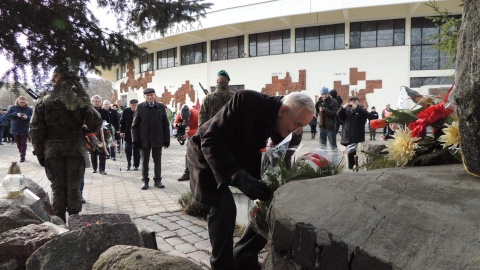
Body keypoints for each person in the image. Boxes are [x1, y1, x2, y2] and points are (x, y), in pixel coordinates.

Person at [187, 90, 315, 270]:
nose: (298, 130)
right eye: (297, 124)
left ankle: (243, 255)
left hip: (247, 157)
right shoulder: (247, 101)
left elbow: (281, 165)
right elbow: (211, 140)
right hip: (208, 153)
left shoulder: (293, 130)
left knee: (271, 203)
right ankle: (221, 265)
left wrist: (280, 185)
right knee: (224, 206)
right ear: (282, 111)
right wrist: (239, 177)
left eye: (304, 126)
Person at [29, 70, 102, 222]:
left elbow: (35, 130)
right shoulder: (79, 100)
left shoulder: (45, 101)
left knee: (57, 188)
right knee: (74, 187)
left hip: (52, 150)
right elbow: (95, 123)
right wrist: (84, 128)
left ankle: (60, 222)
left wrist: (40, 153)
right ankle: (75, 221)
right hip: (75, 148)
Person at [132, 88, 170, 190]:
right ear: (144, 96)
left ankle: (158, 180)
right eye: (147, 95)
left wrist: (167, 139)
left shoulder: (161, 107)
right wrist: (135, 140)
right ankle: (145, 181)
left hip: (158, 139)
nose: (149, 97)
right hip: (144, 140)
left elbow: (165, 124)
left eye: (151, 95)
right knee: (145, 161)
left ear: (155, 95)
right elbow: (134, 126)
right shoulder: (140, 107)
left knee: (157, 161)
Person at [337, 96, 369, 169]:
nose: (353, 102)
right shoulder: (346, 111)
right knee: (350, 153)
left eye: (355, 100)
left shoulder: (361, 110)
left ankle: (357, 166)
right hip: (348, 136)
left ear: (358, 102)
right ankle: (351, 167)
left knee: (357, 153)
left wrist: (357, 109)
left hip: (357, 136)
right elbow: (338, 115)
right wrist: (342, 108)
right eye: (351, 101)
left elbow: (366, 115)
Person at [175, 105, 199, 181]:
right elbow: (175, 122)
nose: (185, 120)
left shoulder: (196, 115)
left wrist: (188, 133)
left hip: (199, 135)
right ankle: (187, 174)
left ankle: (197, 174)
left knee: (197, 154)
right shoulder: (180, 114)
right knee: (188, 153)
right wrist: (177, 126)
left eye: (187, 119)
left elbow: (201, 128)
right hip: (190, 134)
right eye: (183, 118)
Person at [6, 96, 33, 162]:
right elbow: (7, 115)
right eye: (21, 102)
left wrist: (27, 117)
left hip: (24, 128)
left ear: (26, 102)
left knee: (23, 143)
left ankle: (22, 156)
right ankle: (21, 153)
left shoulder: (29, 109)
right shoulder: (13, 108)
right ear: (18, 101)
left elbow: (33, 118)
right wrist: (15, 114)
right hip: (15, 128)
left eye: (24, 102)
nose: (22, 103)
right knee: (18, 143)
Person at [90, 95, 109, 175]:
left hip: (101, 135)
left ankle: (102, 169)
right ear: (92, 102)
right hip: (92, 134)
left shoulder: (104, 111)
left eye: (98, 101)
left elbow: (107, 122)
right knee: (93, 151)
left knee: (102, 152)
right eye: (95, 101)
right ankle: (94, 168)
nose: (97, 103)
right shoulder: (89, 110)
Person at [120, 99, 140, 171]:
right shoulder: (125, 111)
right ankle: (128, 163)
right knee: (128, 149)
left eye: (136, 105)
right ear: (130, 105)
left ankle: (136, 165)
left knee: (136, 150)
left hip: (137, 134)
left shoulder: (140, 111)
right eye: (133, 105)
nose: (134, 106)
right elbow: (122, 122)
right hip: (128, 133)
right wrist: (121, 131)